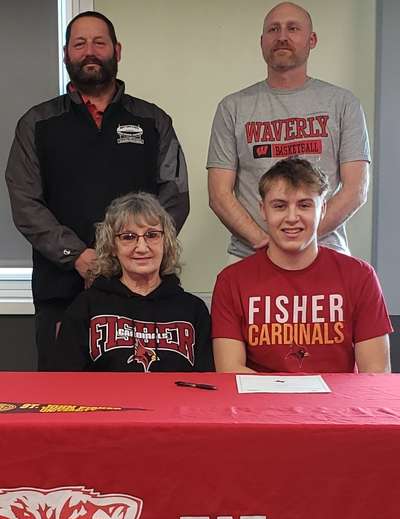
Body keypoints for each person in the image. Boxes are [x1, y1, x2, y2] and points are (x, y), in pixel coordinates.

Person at [6, 11, 189, 370]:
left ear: (117, 51)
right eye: (80, 43)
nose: (90, 51)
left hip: (142, 293)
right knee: (61, 405)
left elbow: (175, 195)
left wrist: (128, 253)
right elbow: (25, 201)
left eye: (99, 42)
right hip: (61, 291)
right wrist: (77, 255)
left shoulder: (152, 121)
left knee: (144, 405)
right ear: (65, 55)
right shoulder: (37, 124)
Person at [207, 1, 370, 261]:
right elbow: (219, 195)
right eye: (273, 29)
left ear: (312, 39)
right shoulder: (233, 108)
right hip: (250, 255)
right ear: (262, 42)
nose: (282, 37)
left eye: (293, 28)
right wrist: (266, 244)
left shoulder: (343, 104)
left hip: (325, 253)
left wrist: (304, 241)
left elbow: (355, 189)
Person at [211, 158, 392, 374]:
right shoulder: (231, 281)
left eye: (305, 205)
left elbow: (376, 373)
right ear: (263, 210)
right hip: (260, 405)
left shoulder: (360, 276)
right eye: (279, 206)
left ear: (322, 209)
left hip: (338, 406)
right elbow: (229, 370)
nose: (292, 218)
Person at [52, 193, 213, 372]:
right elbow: (64, 383)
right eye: (128, 237)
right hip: (104, 400)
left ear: (165, 242)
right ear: (112, 246)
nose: (142, 248)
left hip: (177, 400)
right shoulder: (86, 306)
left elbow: (208, 385)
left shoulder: (193, 310)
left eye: (152, 235)